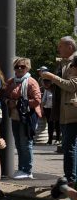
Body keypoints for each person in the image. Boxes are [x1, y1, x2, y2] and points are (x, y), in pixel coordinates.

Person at [40, 40, 77, 184]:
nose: (58, 48)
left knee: (69, 148)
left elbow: (72, 86)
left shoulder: (74, 62)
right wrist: (48, 82)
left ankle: (70, 180)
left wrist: (52, 77)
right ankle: (71, 179)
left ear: (70, 46)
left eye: (61, 46)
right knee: (69, 147)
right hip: (64, 111)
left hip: (71, 112)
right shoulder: (64, 62)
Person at [2, 57, 41, 179]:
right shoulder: (11, 81)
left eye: (22, 66)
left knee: (26, 144)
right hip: (15, 117)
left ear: (28, 68)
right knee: (18, 144)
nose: (19, 69)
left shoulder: (31, 82)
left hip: (28, 118)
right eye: (16, 67)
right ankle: (21, 169)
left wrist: (19, 103)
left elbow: (37, 100)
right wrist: (9, 101)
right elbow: (3, 95)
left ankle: (27, 170)